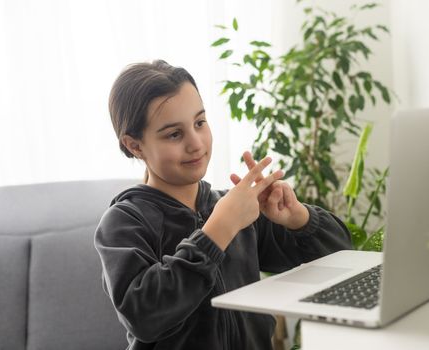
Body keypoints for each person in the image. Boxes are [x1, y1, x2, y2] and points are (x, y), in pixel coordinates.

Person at [94, 59, 352, 350]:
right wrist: (218, 231)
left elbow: (343, 256)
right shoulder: (124, 222)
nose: (196, 143)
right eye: (174, 134)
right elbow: (143, 317)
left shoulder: (235, 208)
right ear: (135, 145)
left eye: (200, 123)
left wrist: (298, 218)